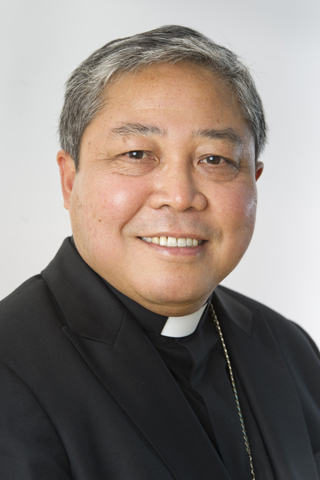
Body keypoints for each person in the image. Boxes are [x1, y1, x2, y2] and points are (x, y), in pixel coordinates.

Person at [0, 25, 319, 480]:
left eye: (215, 159)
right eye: (136, 153)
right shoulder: (10, 370)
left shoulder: (291, 350)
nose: (179, 195)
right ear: (70, 180)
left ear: (255, 181)